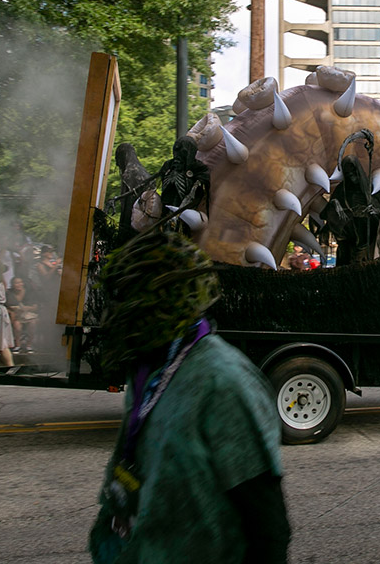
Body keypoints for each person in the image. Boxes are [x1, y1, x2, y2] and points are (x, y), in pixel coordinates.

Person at [89, 230, 289, 564]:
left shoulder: (223, 381)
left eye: (127, 299)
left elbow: (266, 520)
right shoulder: (146, 367)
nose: (114, 314)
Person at [8, 276, 38, 353]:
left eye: (20, 282)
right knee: (17, 325)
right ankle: (18, 345)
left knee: (33, 323)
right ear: (12, 284)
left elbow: (35, 307)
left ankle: (29, 345)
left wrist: (27, 308)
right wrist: (12, 310)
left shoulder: (29, 292)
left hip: (28, 314)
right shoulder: (9, 293)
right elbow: (5, 306)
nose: (19, 284)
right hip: (16, 315)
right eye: (16, 283)